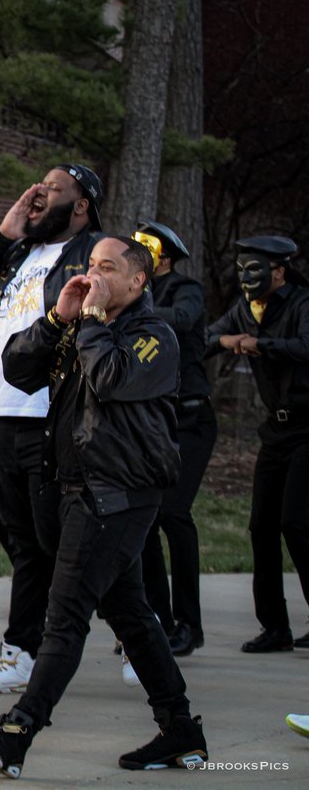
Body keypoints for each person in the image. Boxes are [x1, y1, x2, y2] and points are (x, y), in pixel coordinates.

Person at [0, 236, 207, 778]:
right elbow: (18, 370)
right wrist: (55, 319)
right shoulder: (79, 324)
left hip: (117, 494)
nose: (93, 274)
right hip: (76, 488)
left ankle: (17, 733)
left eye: (107, 267)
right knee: (131, 615)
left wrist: (90, 323)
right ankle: (181, 730)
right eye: (90, 265)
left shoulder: (154, 337)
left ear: (137, 281)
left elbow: (110, 379)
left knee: (65, 615)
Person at [0, 165, 103, 694]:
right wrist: (4, 232)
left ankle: (135, 624)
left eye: (53, 190)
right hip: (5, 413)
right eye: (35, 188)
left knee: (51, 540)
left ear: (82, 205)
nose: (38, 195)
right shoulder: (19, 252)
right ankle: (23, 650)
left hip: (53, 417)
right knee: (25, 540)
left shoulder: (92, 253)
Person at [206, 235, 309, 653]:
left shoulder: (303, 304)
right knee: (261, 526)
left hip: (307, 429)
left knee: (297, 523)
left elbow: (306, 347)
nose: (246, 277)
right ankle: (275, 628)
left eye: (256, 269)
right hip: (276, 430)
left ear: (279, 272)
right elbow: (209, 336)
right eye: (242, 268)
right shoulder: (246, 309)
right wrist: (228, 340)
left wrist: (259, 344)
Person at [134, 220, 216, 657]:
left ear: (161, 259)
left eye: (143, 252)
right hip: (154, 423)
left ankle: (189, 624)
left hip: (191, 420)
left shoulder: (185, 290)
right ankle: (156, 620)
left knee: (174, 513)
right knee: (144, 518)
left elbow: (182, 320)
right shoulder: (133, 299)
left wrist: (134, 302)